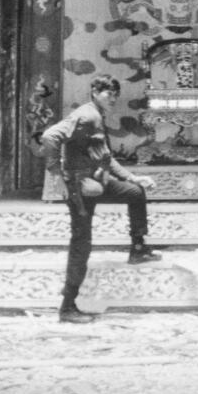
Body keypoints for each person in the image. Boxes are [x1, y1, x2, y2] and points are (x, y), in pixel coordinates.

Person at [39, 74, 162, 323]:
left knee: (135, 193)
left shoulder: (97, 116)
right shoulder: (86, 115)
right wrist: (57, 175)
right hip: (79, 188)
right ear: (94, 91)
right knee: (81, 244)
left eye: (116, 95)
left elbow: (106, 157)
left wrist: (132, 178)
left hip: (97, 181)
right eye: (108, 94)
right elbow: (50, 136)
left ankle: (138, 248)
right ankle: (68, 307)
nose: (113, 99)